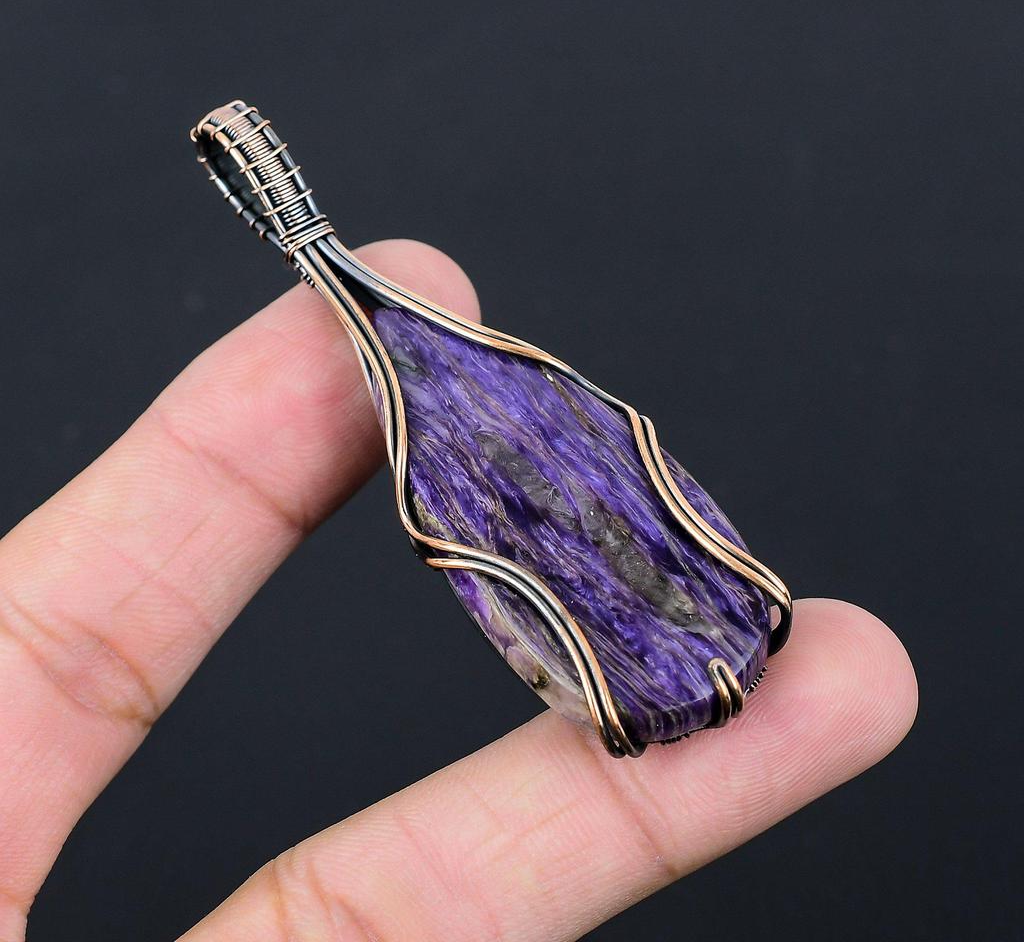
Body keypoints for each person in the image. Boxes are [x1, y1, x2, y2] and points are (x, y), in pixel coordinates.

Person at [0, 239, 917, 941]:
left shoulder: (485, 405)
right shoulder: (440, 444)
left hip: (695, 637)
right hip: (648, 671)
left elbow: (623, 463)